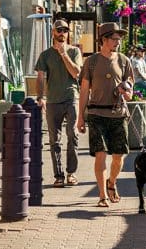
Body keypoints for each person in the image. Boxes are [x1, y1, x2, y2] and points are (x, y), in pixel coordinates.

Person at [76, 22, 134, 207]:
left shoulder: (124, 61)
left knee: (118, 157)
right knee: (100, 154)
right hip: (96, 113)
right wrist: (80, 117)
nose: (118, 42)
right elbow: (84, 90)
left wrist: (125, 91)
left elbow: (131, 92)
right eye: (115, 39)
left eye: (119, 39)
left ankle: (112, 183)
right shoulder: (91, 62)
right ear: (104, 39)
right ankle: (102, 195)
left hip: (118, 114)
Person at [35, 19, 83, 188]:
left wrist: (63, 54)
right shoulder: (45, 55)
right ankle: (58, 175)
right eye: (59, 30)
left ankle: (71, 173)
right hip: (53, 100)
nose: (62, 33)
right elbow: (40, 77)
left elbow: (76, 73)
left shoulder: (75, 51)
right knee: (54, 140)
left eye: (65, 30)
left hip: (71, 97)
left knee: (73, 135)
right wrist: (40, 97)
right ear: (53, 32)